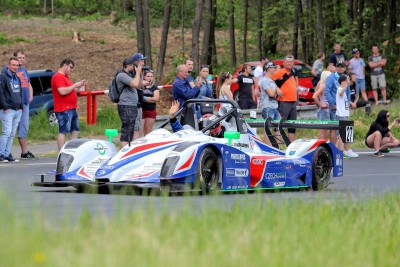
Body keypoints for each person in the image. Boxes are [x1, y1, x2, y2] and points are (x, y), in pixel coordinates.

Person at [1, 49, 36, 159]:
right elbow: (2, 90)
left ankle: (20, 152)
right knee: (8, 130)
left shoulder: (23, 71)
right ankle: (4, 153)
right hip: (10, 106)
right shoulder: (5, 72)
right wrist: (5, 106)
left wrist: (30, 96)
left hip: (22, 104)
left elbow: (27, 85)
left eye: (23, 58)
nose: (21, 60)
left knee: (21, 128)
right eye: (19, 58)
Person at [51, 58, 85, 151]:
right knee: (63, 131)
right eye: (71, 67)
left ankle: (72, 150)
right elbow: (62, 91)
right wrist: (74, 85)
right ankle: (62, 152)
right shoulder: (57, 77)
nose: (71, 70)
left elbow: (72, 90)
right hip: (63, 109)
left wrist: (79, 85)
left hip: (72, 108)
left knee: (75, 129)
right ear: (64, 65)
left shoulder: (66, 77)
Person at [116, 57, 144, 148]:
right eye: (133, 65)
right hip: (126, 105)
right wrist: (138, 72)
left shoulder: (129, 75)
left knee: (131, 130)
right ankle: (123, 152)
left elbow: (139, 86)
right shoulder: (121, 75)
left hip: (131, 105)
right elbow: (134, 84)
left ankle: (128, 150)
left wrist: (140, 74)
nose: (134, 67)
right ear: (128, 65)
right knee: (126, 130)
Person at [0, 57, 23, 163]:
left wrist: (21, 107)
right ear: (8, 65)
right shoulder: (3, 77)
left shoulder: (17, 78)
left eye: (17, 65)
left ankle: (7, 154)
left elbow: (20, 92)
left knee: (12, 133)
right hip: (8, 109)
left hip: (17, 110)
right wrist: (4, 107)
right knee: (6, 132)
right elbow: (0, 93)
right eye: (13, 65)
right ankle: (1, 154)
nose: (15, 67)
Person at [272, 55, 298, 142]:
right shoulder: (279, 72)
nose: (289, 63)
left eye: (291, 62)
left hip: (293, 102)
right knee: (280, 125)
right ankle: (277, 147)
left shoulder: (293, 72)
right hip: (284, 102)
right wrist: (277, 89)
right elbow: (269, 82)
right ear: (283, 63)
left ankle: (291, 147)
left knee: (292, 126)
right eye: (287, 62)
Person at [324, 61, 349, 143]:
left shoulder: (346, 77)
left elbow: (347, 92)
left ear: (345, 68)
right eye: (338, 66)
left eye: (342, 66)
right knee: (335, 129)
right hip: (336, 108)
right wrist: (332, 104)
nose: (340, 68)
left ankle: (345, 150)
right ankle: (335, 149)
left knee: (345, 128)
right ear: (335, 67)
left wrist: (348, 103)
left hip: (344, 109)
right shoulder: (331, 77)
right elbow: (327, 91)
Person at [260, 61, 283, 145]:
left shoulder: (272, 81)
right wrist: (275, 90)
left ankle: (278, 149)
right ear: (269, 68)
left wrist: (275, 91)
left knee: (278, 128)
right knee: (268, 129)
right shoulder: (264, 80)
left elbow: (281, 93)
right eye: (274, 68)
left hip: (275, 107)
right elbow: (271, 94)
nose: (275, 69)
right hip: (267, 107)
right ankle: (267, 149)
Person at [335, 75, 358, 158]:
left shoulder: (343, 89)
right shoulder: (340, 89)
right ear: (343, 82)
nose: (348, 80)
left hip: (344, 114)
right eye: (347, 79)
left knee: (342, 135)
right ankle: (341, 152)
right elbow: (340, 93)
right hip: (341, 115)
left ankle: (338, 152)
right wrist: (345, 86)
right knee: (341, 135)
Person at [131, 53, 147, 140]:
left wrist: (141, 74)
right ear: (136, 62)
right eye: (142, 61)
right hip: (134, 104)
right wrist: (137, 73)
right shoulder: (132, 72)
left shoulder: (138, 73)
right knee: (135, 128)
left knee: (138, 127)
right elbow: (136, 85)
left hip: (139, 103)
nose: (143, 64)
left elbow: (141, 86)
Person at [312, 70, 332, 139]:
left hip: (326, 109)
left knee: (325, 130)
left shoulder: (321, 84)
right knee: (323, 131)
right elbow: (314, 96)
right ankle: (323, 145)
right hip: (324, 109)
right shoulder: (323, 85)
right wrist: (320, 104)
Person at [141, 69, 160, 136]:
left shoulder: (154, 87)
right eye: (148, 76)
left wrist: (149, 99)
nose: (150, 78)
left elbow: (156, 98)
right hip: (141, 110)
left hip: (151, 110)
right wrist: (146, 99)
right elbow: (138, 96)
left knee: (148, 130)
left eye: (151, 76)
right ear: (144, 77)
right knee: (140, 129)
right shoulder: (140, 86)